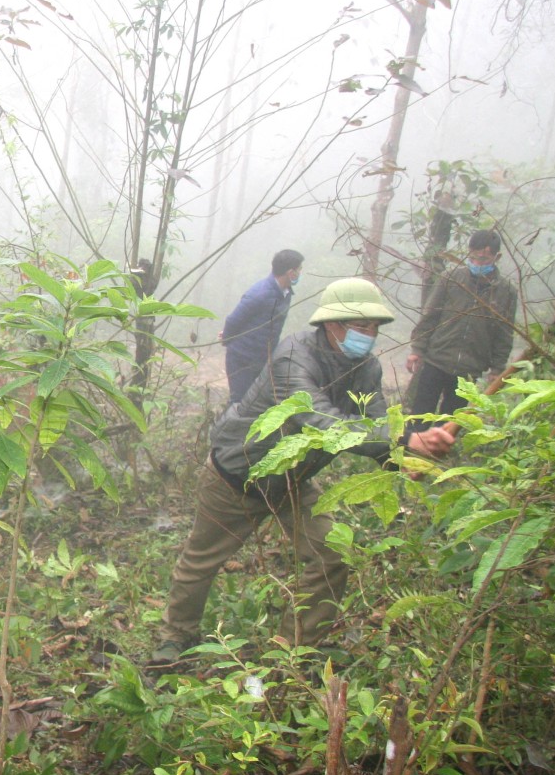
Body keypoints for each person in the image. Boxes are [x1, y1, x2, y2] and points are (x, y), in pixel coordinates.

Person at [154, 279, 455, 663]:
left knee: (333, 552)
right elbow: (319, 422)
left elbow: (378, 421)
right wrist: (404, 440)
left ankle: (294, 651)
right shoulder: (293, 357)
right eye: (361, 327)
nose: (370, 336)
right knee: (201, 561)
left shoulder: (366, 368)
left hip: (293, 477)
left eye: (374, 328)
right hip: (239, 474)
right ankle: (175, 637)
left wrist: (404, 455)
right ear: (333, 325)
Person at [405, 229, 518, 425]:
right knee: (420, 415)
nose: (478, 263)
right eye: (474, 258)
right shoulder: (451, 278)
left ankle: (433, 455)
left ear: (496, 257)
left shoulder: (506, 291)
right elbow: (430, 315)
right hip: (436, 359)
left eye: (484, 259)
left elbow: (504, 333)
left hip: (470, 369)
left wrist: (497, 367)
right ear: (468, 253)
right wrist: (417, 349)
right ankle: (409, 449)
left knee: (450, 421)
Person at [221, 249, 304, 403]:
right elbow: (234, 320)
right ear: (291, 272)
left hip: (263, 359)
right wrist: (227, 338)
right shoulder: (260, 293)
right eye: (299, 269)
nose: (300, 273)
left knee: (258, 403)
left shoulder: (285, 293)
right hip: (242, 359)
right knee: (239, 403)